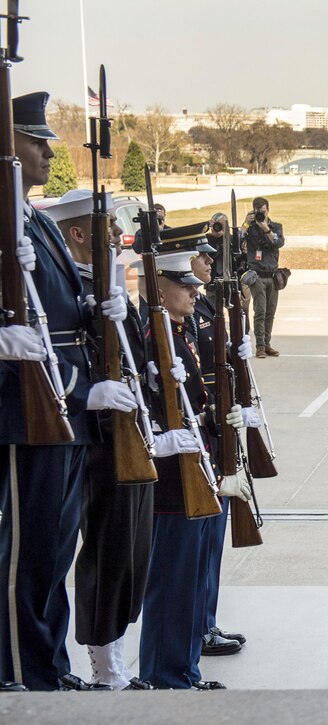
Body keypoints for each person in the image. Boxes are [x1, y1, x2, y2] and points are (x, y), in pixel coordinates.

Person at [0, 92, 132, 692]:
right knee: (23, 558)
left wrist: (99, 303)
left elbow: (61, 313)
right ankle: (20, 674)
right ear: (7, 146)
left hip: (66, 407)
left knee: (51, 552)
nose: (49, 150)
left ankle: (46, 665)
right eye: (37, 140)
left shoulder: (33, 219)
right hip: (24, 411)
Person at [46, 190, 159, 690]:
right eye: (106, 226)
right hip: (96, 438)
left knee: (132, 552)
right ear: (77, 234)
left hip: (129, 432)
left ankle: (114, 652)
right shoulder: (74, 292)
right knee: (106, 551)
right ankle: (101, 663)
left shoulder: (110, 286)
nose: (117, 234)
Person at [137, 243, 247, 691]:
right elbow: (147, 410)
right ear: (160, 289)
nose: (193, 292)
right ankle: (164, 675)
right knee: (172, 581)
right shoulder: (151, 338)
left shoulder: (179, 332)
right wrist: (167, 437)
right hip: (172, 479)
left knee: (190, 579)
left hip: (196, 468)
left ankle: (183, 670)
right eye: (184, 286)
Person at [179, 227, 255, 660]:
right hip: (202, 425)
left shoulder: (208, 305)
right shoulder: (186, 310)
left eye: (210, 258)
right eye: (202, 258)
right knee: (203, 537)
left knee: (215, 536)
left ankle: (205, 622)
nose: (209, 263)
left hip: (219, 424)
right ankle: (198, 627)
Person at [243, 196, 284, 358]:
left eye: (263, 212)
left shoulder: (276, 227)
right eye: (258, 212)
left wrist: (266, 228)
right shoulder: (250, 228)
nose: (261, 215)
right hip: (257, 275)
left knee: (270, 312)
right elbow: (238, 240)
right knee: (260, 311)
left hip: (273, 275)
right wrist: (246, 224)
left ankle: (267, 343)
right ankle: (260, 345)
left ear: (268, 210)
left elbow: (278, 242)